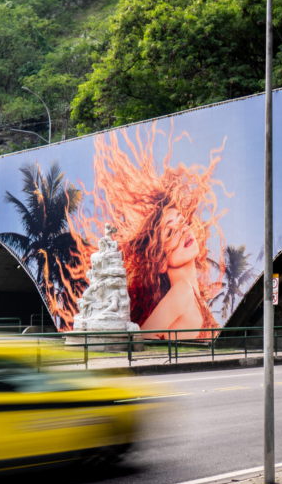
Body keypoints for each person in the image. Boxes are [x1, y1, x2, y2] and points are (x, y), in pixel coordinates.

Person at [83, 123, 228, 339]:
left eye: (182, 222)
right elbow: (142, 338)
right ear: (159, 261)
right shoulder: (182, 292)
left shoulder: (194, 297)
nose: (182, 231)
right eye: (169, 232)